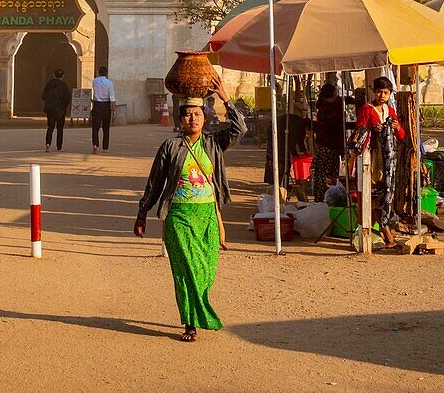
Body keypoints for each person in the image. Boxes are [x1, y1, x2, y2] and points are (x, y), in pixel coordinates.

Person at [133, 72, 246, 342]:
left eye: (197, 114)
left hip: (206, 215)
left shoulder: (213, 143)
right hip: (179, 217)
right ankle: (190, 323)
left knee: (205, 270)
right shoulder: (170, 147)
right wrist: (142, 214)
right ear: (179, 119)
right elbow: (154, 184)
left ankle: (196, 312)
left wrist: (225, 98)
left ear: (205, 117)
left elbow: (239, 129)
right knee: (185, 271)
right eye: (187, 115)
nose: (192, 119)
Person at [353, 75, 405, 246]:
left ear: (389, 94)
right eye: (379, 92)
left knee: (383, 195)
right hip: (371, 158)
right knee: (370, 194)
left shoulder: (390, 111)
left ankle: (385, 231)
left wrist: (397, 128)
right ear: (374, 93)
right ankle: (381, 233)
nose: (382, 95)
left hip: (387, 159)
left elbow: (401, 135)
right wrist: (371, 130)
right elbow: (359, 132)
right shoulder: (367, 110)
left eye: (385, 92)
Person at [263, 95, 311, 188]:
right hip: (275, 131)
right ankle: (277, 183)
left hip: (282, 133)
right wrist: (296, 156)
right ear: (307, 128)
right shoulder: (296, 125)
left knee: (286, 160)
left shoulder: (301, 128)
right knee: (281, 158)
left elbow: (300, 141)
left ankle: (284, 183)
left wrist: (305, 152)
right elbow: (291, 144)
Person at [311, 82, 346, 202]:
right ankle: (322, 199)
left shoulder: (326, 106)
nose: (336, 97)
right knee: (325, 176)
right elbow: (336, 125)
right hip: (327, 147)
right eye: (334, 95)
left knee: (327, 175)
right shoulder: (326, 110)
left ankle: (325, 199)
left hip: (328, 146)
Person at [42, 68, 72, 153]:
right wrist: (64, 106)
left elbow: (43, 96)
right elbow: (67, 98)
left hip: (50, 110)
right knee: (60, 129)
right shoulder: (63, 86)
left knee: (50, 128)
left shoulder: (49, 85)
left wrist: (49, 103)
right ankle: (59, 147)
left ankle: (48, 145)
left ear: (54, 75)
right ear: (63, 76)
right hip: (60, 110)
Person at [91, 65, 116, 153]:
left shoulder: (94, 81)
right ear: (106, 73)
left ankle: (95, 145)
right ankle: (105, 147)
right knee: (106, 128)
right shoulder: (109, 83)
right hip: (106, 106)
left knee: (95, 127)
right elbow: (112, 98)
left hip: (97, 105)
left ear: (98, 72)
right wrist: (114, 111)